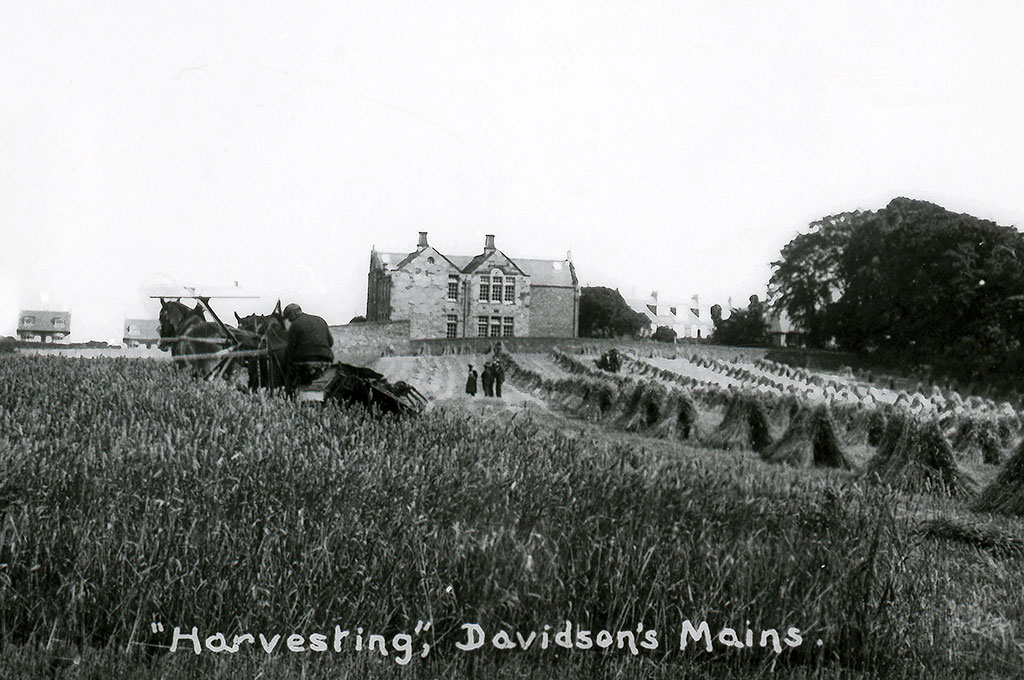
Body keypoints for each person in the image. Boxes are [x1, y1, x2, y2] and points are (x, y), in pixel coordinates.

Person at [282, 303, 334, 389]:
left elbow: (291, 349)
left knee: (290, 377)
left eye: (289, 317)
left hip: (305, 361)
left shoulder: (295, 325)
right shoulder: (320, 320)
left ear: (293, 314)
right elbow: (330, 342)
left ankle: (292, 396)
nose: (289, 321)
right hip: (326, 360)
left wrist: (286, 362)